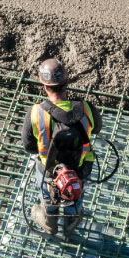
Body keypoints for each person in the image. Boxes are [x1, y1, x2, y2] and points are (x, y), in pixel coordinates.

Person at [21, 57, 101, 237]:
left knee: (48, 193)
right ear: (66, 82)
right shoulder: (86, 109)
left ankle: (50, 222)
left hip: (50, 170)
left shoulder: (35, 113)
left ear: (45, 87)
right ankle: (71, 222)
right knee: (75, 191)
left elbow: (28, 146)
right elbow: (96, 128)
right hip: (80, 168)